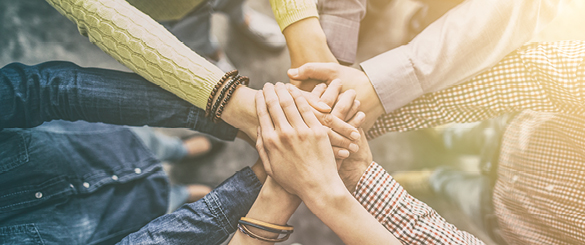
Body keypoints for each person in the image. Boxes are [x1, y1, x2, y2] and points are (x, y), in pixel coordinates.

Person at [128, 0, 285, 72]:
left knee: (233, 2)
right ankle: (211, 54)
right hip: (168, 6)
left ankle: (242, 17)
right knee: (192, 32)